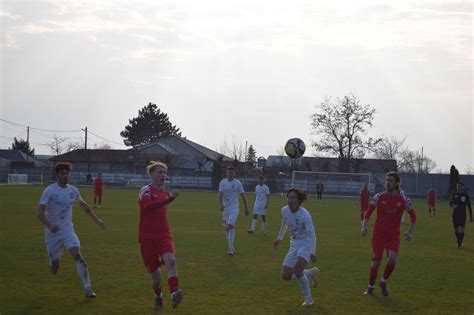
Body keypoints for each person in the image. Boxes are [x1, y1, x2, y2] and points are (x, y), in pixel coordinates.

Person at [36, 162, 106, 298]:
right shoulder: (50, 190)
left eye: (67, 173)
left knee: (77, 255)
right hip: (52, 233)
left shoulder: (73, 190)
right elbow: (40, 213)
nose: (65, 176)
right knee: (55, 268)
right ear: (57, 175)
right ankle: (53, 261)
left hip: (68, 230)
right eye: (62, 173)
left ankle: (88, 288)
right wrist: (50, 225)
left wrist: (97, 220)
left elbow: (84, 206)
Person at [361, 171, 416, 296]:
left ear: (397, 183)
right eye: (386, 180)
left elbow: (413, 216)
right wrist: (363, 227)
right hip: (379, 235)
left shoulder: (404, 199)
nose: (387, 183)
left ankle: (383, 281)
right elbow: (368, 213)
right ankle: (370, 287)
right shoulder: (379, 196)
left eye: (390, 181)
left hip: (393, 236)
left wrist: (409, 232)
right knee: (376, 262)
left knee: (392, 258)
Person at [138, 161, 183, 310]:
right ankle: (158, 295)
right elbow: (148, 207)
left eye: (164, 173)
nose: (163, 175)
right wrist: (170, 198)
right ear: (151, 174)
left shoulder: (164, 193)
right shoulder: (145, 190)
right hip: (147, 238)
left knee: (171, 261)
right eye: (159, 172)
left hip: (164, 235)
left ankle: (174, 294)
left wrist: (168, 197)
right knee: (156, 278)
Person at [273, 188, 319, 306]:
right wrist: (279, 238)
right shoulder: (284, 210)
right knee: (286, 275)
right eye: (289, 197)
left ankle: (308, 299)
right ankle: (309, 273)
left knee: (298, 271)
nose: (290, 199)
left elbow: (312, 234)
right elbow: (284, 223)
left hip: (306, 243)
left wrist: (313, 251)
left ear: (299, 200)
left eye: (293, 197)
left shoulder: (305, 215)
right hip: (294, 243)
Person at [218, 165, 249, 255]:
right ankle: (231, 246)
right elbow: (220, 194)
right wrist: (220, 204)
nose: (230, 174)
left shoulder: (237, 183)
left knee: (230, 226)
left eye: (232, 172)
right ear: (226, 173)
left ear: (234, 173)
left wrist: (246, 208)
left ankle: (230, 249)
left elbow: (243, 196)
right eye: (229, 172)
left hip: (234, 208)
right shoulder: (222, 182)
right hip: (225, 208)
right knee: (227, 228)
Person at [449, 182, 473, 249]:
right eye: (457, 187)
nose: (458, 188)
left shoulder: (465, 195)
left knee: (461, 229)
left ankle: (459, 242)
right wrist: (452, 205)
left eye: (459, 187)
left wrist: (471, 216)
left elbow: (469, 206)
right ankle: (459, 240)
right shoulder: (455, 194)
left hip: (462, 214)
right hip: (455, 214)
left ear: (462, 187)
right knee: (456, 229)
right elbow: (450, 203)